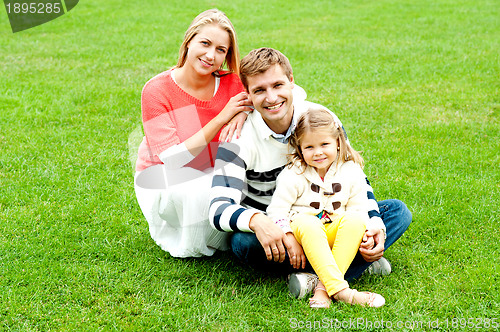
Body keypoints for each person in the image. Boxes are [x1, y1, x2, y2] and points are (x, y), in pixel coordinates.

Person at [209, 47, 412, 291]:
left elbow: (356, 179)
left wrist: (374, 225)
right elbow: (218, 210)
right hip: (276, 226)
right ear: (248, 94)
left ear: (292, 82)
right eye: (260, 90)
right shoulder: (236, 138)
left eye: (278, 85)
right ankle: (352, 267)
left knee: (396, 212)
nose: (271, 98)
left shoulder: (322, 118)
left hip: (333, 221)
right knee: (243, 243)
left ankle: (314, 281)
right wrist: (259, 222)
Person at [134, 9, 252, 257]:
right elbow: (174, 160)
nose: (211, 55)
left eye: (221, 50)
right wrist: (223, 116)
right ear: (188, 43)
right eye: (205, 43)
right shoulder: (157, 90)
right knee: (197, 191)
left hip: (215, 167)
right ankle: (203, 235)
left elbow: (288, 92)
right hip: (166, 176)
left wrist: (243, 111)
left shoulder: (233, 83)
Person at [267, 107, 385, 308]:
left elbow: (358, 208)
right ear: (300, 148)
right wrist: (287, 235)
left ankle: (322, 288)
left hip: (335, 234)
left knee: (356, 220)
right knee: (308, 222)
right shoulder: (293, 173)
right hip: (302, 235)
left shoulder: (351, 171)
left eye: (325, 144)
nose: (318, 152)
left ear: (338, 143)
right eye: (309, 147)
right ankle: (342, 291)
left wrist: (366, 237)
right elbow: (276, 210)